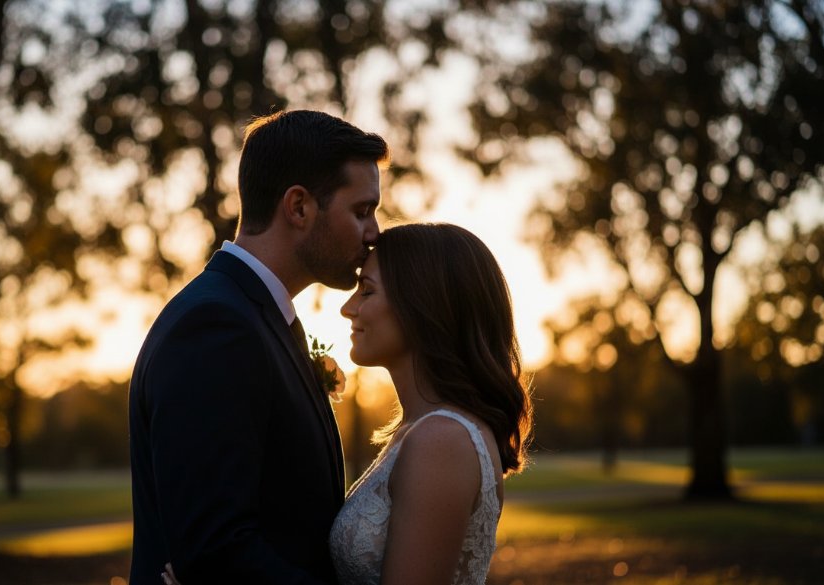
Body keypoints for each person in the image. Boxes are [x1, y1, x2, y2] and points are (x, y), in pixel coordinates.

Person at [128, 110, 389, 584]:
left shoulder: (256, 317)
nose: (374, 233)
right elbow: (216, 551)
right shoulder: (216, 327)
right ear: (299, 207)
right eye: (361, 211)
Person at [329, 223, 534, 584]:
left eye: (367, 291)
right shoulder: (422, 431)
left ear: (421, 305)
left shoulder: (441, 440)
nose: (348, 308)